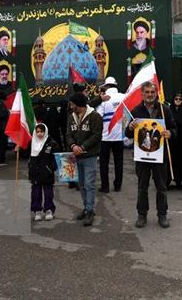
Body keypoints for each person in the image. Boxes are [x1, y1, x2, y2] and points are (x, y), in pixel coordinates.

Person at [125, 81, 177, 229]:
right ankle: (142, 214)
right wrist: (130, 127)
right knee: (142, 187)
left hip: (160, 156)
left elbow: (174, 128)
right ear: (142, 94)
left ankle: (162, 214)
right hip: (142, 157)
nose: (149, 95)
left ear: (156, 93)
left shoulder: (164, 110)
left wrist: (170, 133)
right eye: (147, 92)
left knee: (161, 187)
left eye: (152, 92)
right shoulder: (135, 111)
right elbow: (127, 134)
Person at [66, 92, 103, 227]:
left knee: (89, 184)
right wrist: (73, 146)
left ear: (78, 105)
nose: (71, 106)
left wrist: (82, 146)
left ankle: (90, 211)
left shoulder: (95, 116)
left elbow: (97, 135)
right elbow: (68, 134)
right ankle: (86, 207)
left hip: (90, 156)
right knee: (81, 184)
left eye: (72, 104)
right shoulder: (71, 117)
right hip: (75, 156)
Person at [96, 76, 126, 193]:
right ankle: (118, 185)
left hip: (106, 136)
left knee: (104, 163)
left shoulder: (104, 99)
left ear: (107, 86)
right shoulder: (124, 97)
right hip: (120, 136)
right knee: (119, 162)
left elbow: (99, 117)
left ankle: (105, 186)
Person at [29, 123, 59, 221]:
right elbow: (28, 157)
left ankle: (49, 210)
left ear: (45, 131)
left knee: (48, 193)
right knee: (36, 193)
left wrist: (51, 168)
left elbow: (56, 157)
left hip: (47, 173)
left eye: (42, 131)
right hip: (35, 173)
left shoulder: (51, 143)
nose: (39, 134)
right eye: (37, 132)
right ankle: (37, 211)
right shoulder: (32, 143)